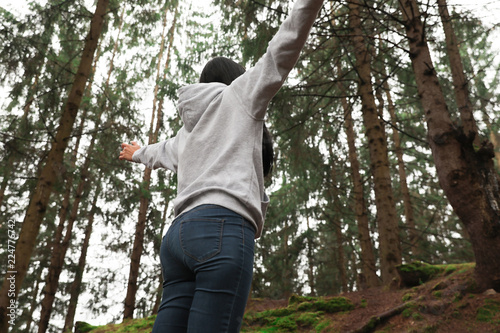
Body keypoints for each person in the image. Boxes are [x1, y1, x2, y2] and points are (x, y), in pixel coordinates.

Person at [119, 0, 324, 331]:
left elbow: (159, 152)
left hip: (176, 240)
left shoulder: (186, 132)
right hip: (221, 228)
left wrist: (137, 152)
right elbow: (281, 49)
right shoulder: (241, 96)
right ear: (235, 77)